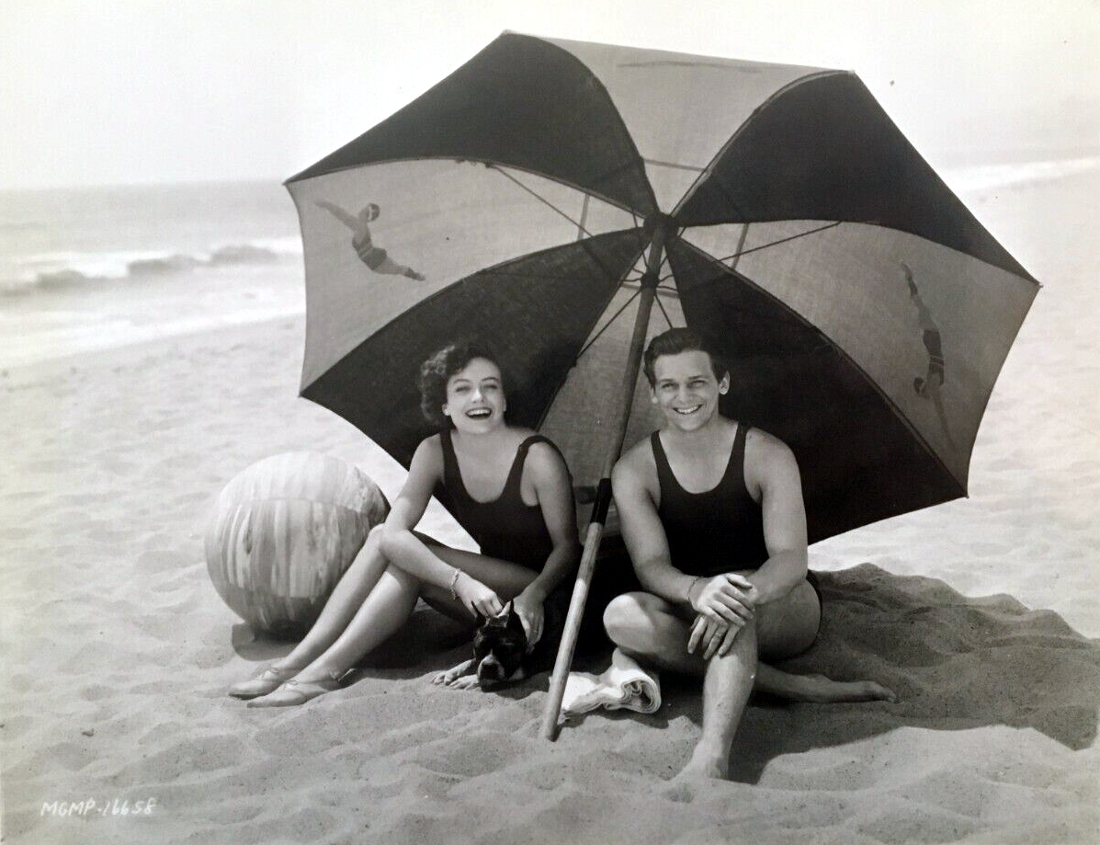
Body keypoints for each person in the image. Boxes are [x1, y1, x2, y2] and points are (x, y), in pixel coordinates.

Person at [604, 328, 894, 779]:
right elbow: (650, 566)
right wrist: (699, 590)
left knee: (733, 602)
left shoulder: (767, 454)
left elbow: (789, 561)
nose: (685, 396)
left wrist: (737, 592)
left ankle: (711, 755)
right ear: (653, 394)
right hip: (693, 601)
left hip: (780, 602)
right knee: (620, 616)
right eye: (669, 385)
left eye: (697, 382)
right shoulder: (634, 469)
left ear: (722, 383)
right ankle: (794, 686)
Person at [231, 340, 580, 706]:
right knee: (385, 536)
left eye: (490, 386)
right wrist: (460, 583)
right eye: (463, 389)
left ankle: (323, 673)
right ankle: (296, 663)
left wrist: (533, 594)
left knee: (409, 561)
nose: (479, 397)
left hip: (541, 596)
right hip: (487, 598)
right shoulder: (434, 451)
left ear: (504, 399)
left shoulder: (537, 457)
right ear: (444, 405)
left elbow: (568, 547)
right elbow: (392, 535)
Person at [315, 199, 427, 280]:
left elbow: (341, 214)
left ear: (366, 215)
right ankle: (416, 276)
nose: (361, 210)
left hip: (375, 264)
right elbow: (342, 215)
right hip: (377, 262)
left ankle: (416, 276)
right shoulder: (361, 227)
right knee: (399, 269)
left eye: (364, 210)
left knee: (398, 269)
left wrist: (326, 204)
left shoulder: (360, 227)